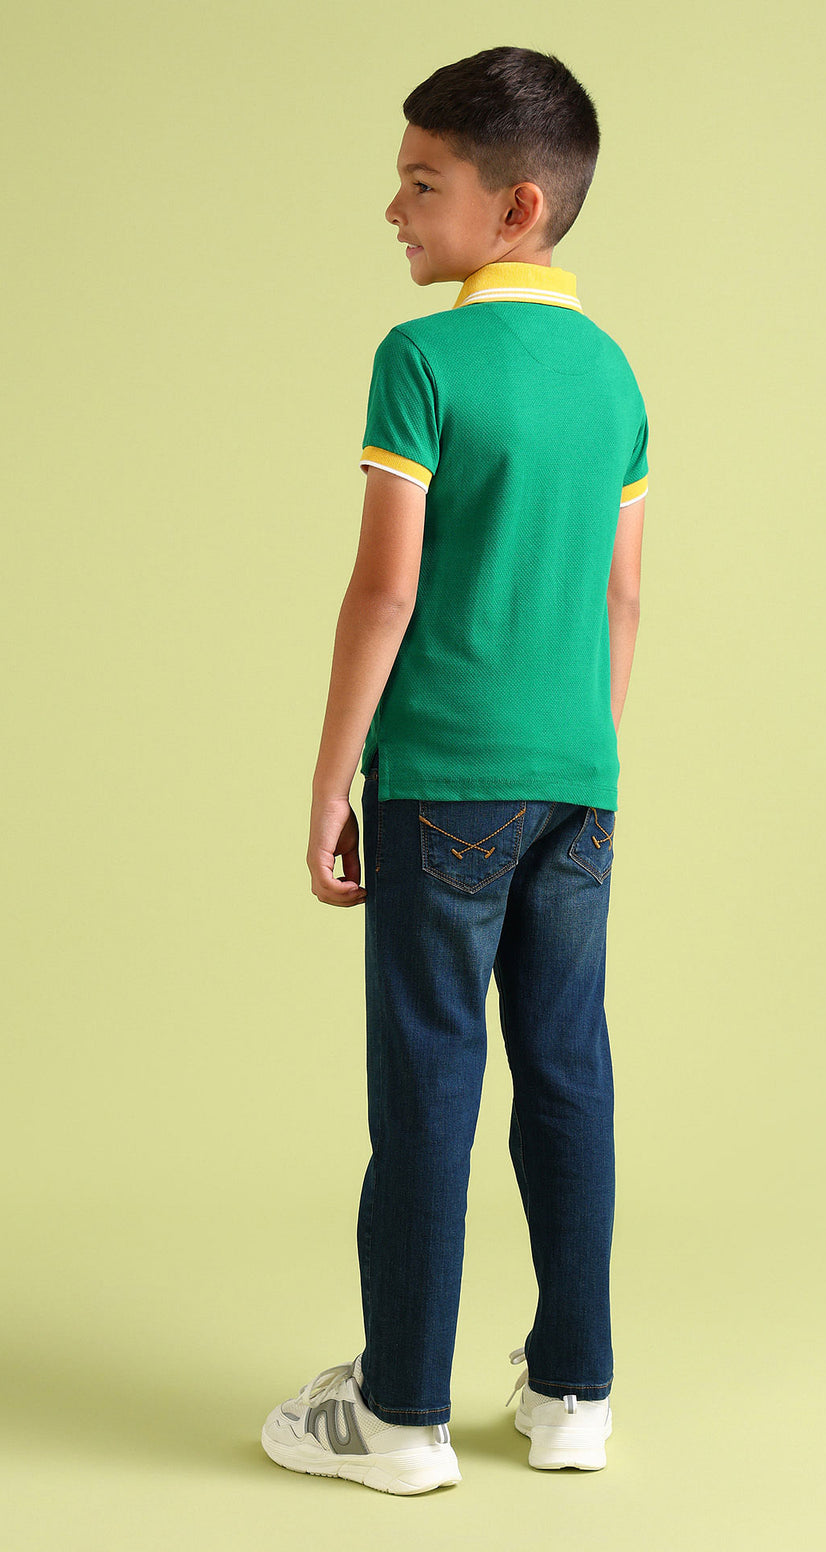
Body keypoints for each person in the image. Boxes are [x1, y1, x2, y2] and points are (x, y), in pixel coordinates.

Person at [261, 45, 648, 1495]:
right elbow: (620, 597)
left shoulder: (420, 359)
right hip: (577, 781)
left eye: (423, 185)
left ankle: (402, 1414)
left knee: (429, 1079)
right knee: (567, 1073)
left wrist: (331, 783)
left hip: (443, 781)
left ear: (515, 207)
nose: (395, 210)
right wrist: (590, 757)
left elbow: (386, 594)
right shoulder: (613, 374)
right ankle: (573, 1395)